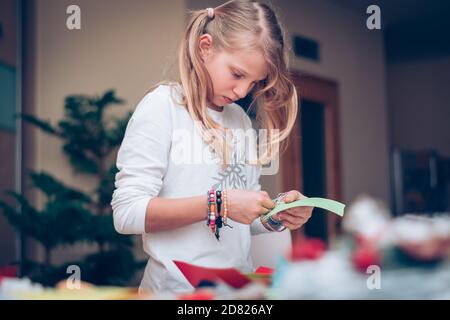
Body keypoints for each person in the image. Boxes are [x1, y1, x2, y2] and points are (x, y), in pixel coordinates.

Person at [111, 0, 313, 293]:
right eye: (237, 74)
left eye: (255, 81)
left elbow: (239, 222)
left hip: (237, 292)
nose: (243, 91)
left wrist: (274, 216)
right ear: (205, 47)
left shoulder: (240, 120)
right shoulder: (162, 107)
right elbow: (127, 213)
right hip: (174, 293)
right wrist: (220, 203)